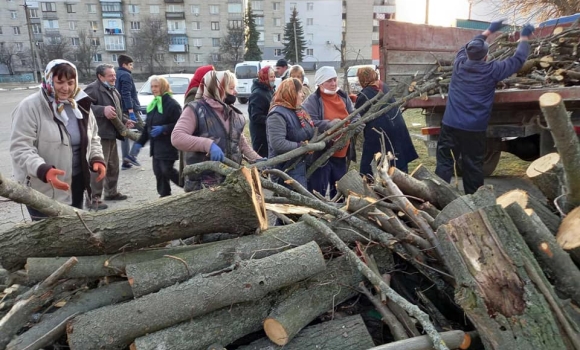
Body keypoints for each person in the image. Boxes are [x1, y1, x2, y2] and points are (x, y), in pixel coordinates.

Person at [435, 20, 533, 194]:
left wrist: (488, 31)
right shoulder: (493, 70)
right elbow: (518, 60)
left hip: (450, 125)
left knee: (444, 163)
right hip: (474, 129)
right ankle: (475, 201)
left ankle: (436, 197)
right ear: (486, 56)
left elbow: (468, 46)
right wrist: (524, 37)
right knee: (472, 166)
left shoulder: (459, 64)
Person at [10, 59, 106, 220]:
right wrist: (43, 169)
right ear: (49, 80)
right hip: (42, 188)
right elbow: (21, 148)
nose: (66, 88)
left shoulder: (80, 105)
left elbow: (94, 136)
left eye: (70, 82)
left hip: (74, 183)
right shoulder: (30, 107)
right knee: (49, 238)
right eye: (59, 82)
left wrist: (97, 158)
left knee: (74, 229)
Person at [171, 70, 262, 192]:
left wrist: (258, 159)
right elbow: (177, 137)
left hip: (230, 181)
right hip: (202, 185)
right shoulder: (196, 110)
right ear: (218, 88)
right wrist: (208, 145)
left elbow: (240, 142)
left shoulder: (233, 114)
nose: (235, 92)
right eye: (231, 88)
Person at [302, 66, 361, 198]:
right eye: (329, 81)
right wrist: (328, 124)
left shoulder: (343, 96)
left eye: (335, 80)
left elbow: (354, 114)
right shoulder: (312, 101)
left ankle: (338, 215)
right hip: (322, 152)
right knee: (318, 190)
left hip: (342, 152)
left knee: (340, 189)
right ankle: (317, 214)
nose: (334, 83)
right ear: (320, 82)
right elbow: (309, 123)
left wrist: (357, 123)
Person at [84, 64, 134, 209]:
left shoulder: (112, 89)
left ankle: (111, 192)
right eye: (110, 75)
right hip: (99, 135)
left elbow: (116, 111)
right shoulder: (93, 89)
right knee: (99, 167)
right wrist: (101, 110)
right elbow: (81, 106)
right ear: (100, 77)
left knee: (113, 166)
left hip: (111, 134)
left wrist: (125, 120)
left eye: (114, 75)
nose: (114, 78)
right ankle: (94, 199)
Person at [355, 66, 418, 177]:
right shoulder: (383, 86)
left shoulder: (364, 94)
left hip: (380, 134)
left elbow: (358, 115)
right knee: (398, 162)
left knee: (370, 167)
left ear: (362, 78)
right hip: (397, 129)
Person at [128, 76, 182, 197]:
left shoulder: (172, 104)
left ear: (163, 87)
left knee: (167, 170)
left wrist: (164, 128)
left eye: (156, 86)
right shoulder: (153, 105)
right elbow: (148, 128)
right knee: (158, 173)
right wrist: (139, 143)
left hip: (168, 146)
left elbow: (180, 124)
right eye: (152, 86)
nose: (153, 89)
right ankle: (164, 196)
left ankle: (188, 185)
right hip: (156, 147)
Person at [267, 78, 315, 189]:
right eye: (299, 92)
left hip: (301, 165)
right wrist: (301, 146)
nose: (303, 94)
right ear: (291, 93)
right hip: (285, 169)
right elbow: (278, 144)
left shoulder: (299, 110)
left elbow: (310, 129)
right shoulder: (277, 114)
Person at [115, 54, 140, 170]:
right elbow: (126, 93)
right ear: (124, 64)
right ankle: (131, 155)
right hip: (128, 109)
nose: (132, 67)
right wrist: (131, 111)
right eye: (130, 65)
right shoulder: (126, 75)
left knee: (124, 133)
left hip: (120, 108)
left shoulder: (117, 74)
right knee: (146, 131)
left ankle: (126, 160)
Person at [248, 66, 276, 157]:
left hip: (268, 130)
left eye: (274, 76)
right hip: (260, 133)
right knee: (262, 157)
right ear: (264, 77)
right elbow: (255, 116)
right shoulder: (257, 94)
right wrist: (272, 119)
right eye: (271, 77)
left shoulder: (270, 90)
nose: (273, 79)